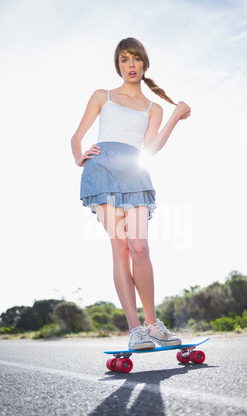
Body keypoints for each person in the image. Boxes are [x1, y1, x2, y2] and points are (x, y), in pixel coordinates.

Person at [71, 37, 191, 350]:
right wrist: (78, 156)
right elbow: (76, 136)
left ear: (144, 63)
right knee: (121, 248)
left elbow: (150, 148)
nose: (131, 65)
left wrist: (175, 116)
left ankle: (153, 324)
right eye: (124, 60)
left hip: (134, 173)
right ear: (118, 65)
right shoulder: (102, 95)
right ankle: (135, 328)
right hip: (101, 173)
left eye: (135, 59)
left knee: (140, 247)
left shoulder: (153, 108)